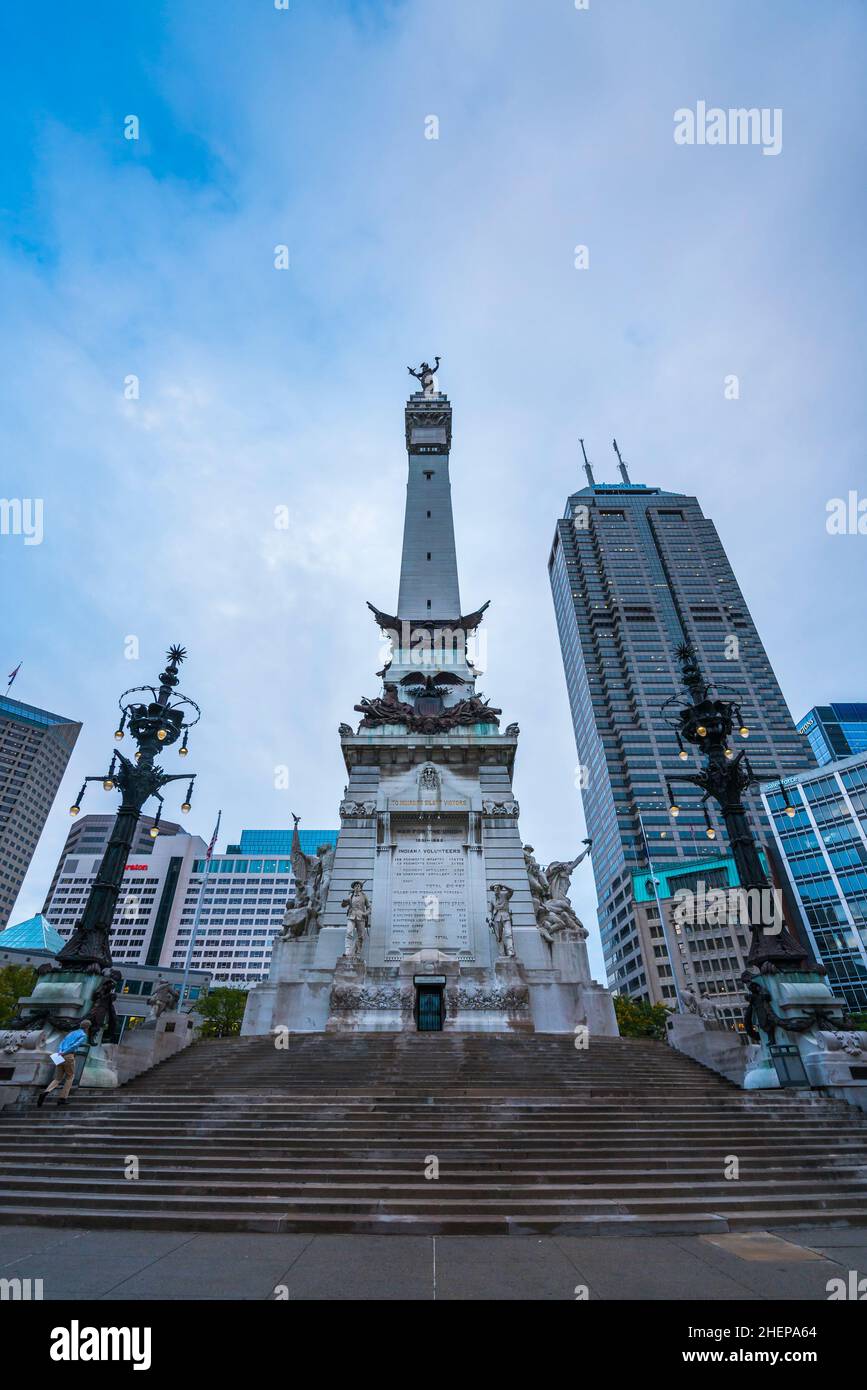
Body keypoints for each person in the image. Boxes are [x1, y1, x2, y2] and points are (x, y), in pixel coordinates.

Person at [37, 1020, 92, 1107]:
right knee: (70, 1076)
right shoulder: (83, 1035)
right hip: (68, 1055)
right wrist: (65, 1053)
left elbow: (62, 1043)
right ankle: (62, 1098)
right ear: (87, 1027)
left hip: (59, 1055)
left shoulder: (72, 1033)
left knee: (58, 1078)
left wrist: (60, 1052)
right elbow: (74, 1046)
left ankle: (45, 1093)